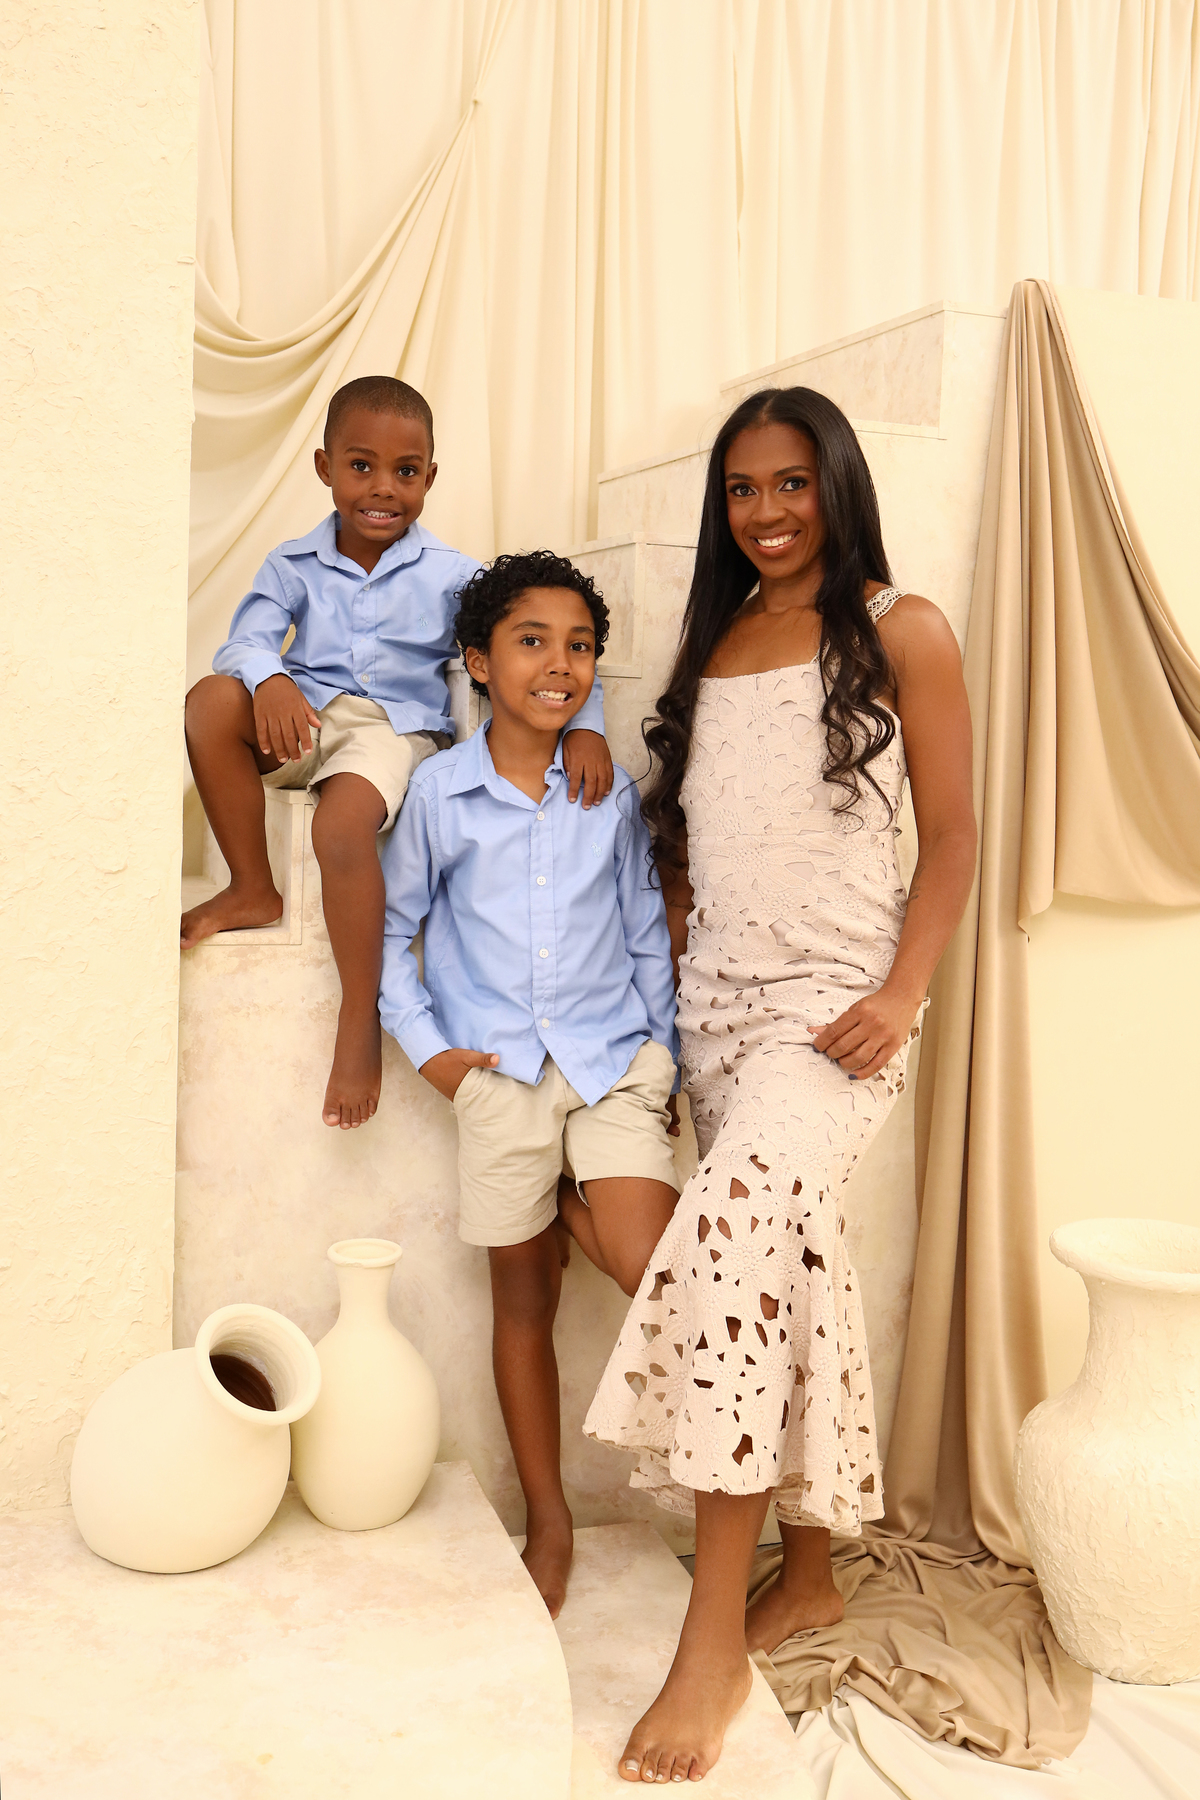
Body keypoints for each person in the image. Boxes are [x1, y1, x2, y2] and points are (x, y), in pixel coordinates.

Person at [583, 386, 977, 1784]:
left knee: (741, 1239)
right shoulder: (718, 641)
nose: (766, 512)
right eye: (743, 489)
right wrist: (671, 1012)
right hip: (718, 1022)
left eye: (792, 483)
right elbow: (693, 854)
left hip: (838, 1020)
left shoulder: (903, 628)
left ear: (837, 483)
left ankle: (711, 1644)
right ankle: (807, 1573)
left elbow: (954, 837)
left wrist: (901, 994)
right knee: (785, 1266)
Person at [181, 376, 612, 1130]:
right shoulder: (292, 564)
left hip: (394, 729)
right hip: (308, 716)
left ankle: (359, 1017)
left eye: (405, 471)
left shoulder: (452, 575)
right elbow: (245, 641)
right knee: (211, 700)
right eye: (361, 466)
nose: (383, 488)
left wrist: (586, 725)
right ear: (325, 468)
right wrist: (270, 677)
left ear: (430, 478)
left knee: (341, 823)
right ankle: (253, 886)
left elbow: (534, 638)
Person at [378, 550, 681, 1615]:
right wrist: (430, 1052)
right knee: (523, 1299)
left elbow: (644, 932)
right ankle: (549, 1520)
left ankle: (563, 1195)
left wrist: (667, 1056)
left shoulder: (606, 791)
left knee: (652, 1262)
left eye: (580, 646)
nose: (559, 663)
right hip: (499, 1077)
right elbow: (393, 931)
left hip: (609, 1063)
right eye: (532, 642)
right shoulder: (439, 795)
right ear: (478, 661)